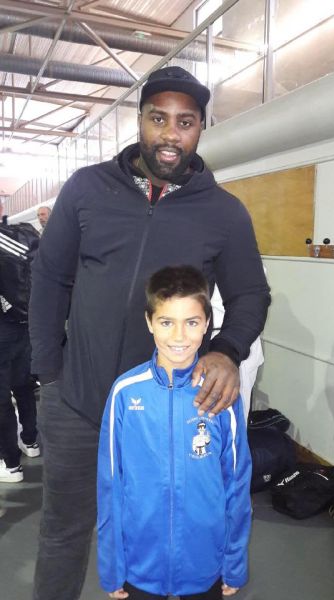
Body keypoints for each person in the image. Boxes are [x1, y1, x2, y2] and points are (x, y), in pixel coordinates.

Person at [29, 65, 270, 600]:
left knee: (162, 530)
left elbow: (253, 294)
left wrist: (228, 349)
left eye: (185, 122)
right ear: (139, 120)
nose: (170, 133)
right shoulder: (87, 188)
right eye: (159, 118)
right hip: (79, 404)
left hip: (169, 411)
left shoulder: (224, 213)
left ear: (200, 130)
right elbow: (49, 278)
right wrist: (48, 374)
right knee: (64, 533)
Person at [97, 266, 252, 599]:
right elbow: (110, 482)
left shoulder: (220, 394)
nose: (179, 337)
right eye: (167, 322)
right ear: (150, 322)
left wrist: (233, 562)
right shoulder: (125, 392)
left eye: (192, 322)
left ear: (207, 323)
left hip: (204, 563)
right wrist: (112, 566)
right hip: (141, 564)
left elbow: (237, 482)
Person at [0, 218, 40, 484]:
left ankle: (10, 463)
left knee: (1, 398)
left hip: (2, 329)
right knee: (24, 386)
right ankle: (31, 441)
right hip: (26, 324)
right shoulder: (24, 234)